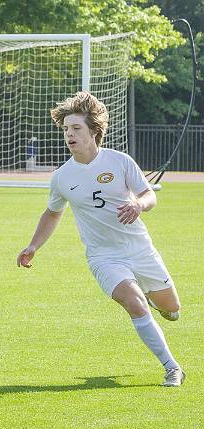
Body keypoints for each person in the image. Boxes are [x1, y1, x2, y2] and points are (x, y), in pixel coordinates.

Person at [16, 91, 185, 387]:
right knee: (134, 303)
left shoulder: (119, 161)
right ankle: (172, 368)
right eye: (66, 129)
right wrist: (33, 245)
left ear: (94, 131)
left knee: (172, 310)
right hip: (103, 257)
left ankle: (158, 302)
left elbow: (148, 195)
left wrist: (138, 205)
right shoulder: (62, 177)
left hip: (139, 248)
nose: (69, 134)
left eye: (76, 128)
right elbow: (52, 213)